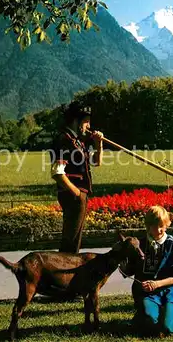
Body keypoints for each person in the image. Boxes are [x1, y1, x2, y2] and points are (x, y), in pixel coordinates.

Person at [123, 205, 173, 338]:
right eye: (154, 226)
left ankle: (172, 312)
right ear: (148, 226)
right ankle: (145, 313)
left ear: (167, 225)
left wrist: (157, 284)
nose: (158, 230)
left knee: (167, 329)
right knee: (151, 322)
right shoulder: (139, 244)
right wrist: (121, 260)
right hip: (148, 292)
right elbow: (128, 271)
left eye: (161, 226)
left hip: (169, 290)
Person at [50, 101, 104, 253]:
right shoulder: (64, 140)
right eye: (86, 122)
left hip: (79, 195)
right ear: (76, 121)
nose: (89, 126)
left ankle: (67, 270)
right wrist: (77, 193)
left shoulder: (78, 141)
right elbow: (57, 172)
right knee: (71, 241)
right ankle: (64, 272)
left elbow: (96, 162)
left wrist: (98, 144)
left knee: (74, 240)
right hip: (73, 195)